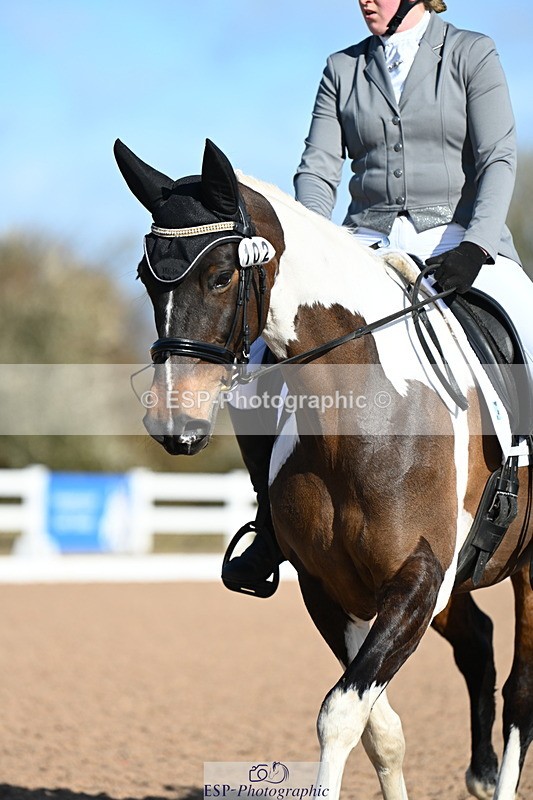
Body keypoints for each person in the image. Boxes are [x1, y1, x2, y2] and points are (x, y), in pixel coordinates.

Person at [221, 0, 533, 595]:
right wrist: (306, 252)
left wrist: (477, 244)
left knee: (529, 324)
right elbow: (318, 170)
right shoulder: (343, 68)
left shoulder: (471, 52)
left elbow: (497, 157)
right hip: (365, 240)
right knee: (260, 357)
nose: (366, 1)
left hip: (458, 237)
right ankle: (269, 519)